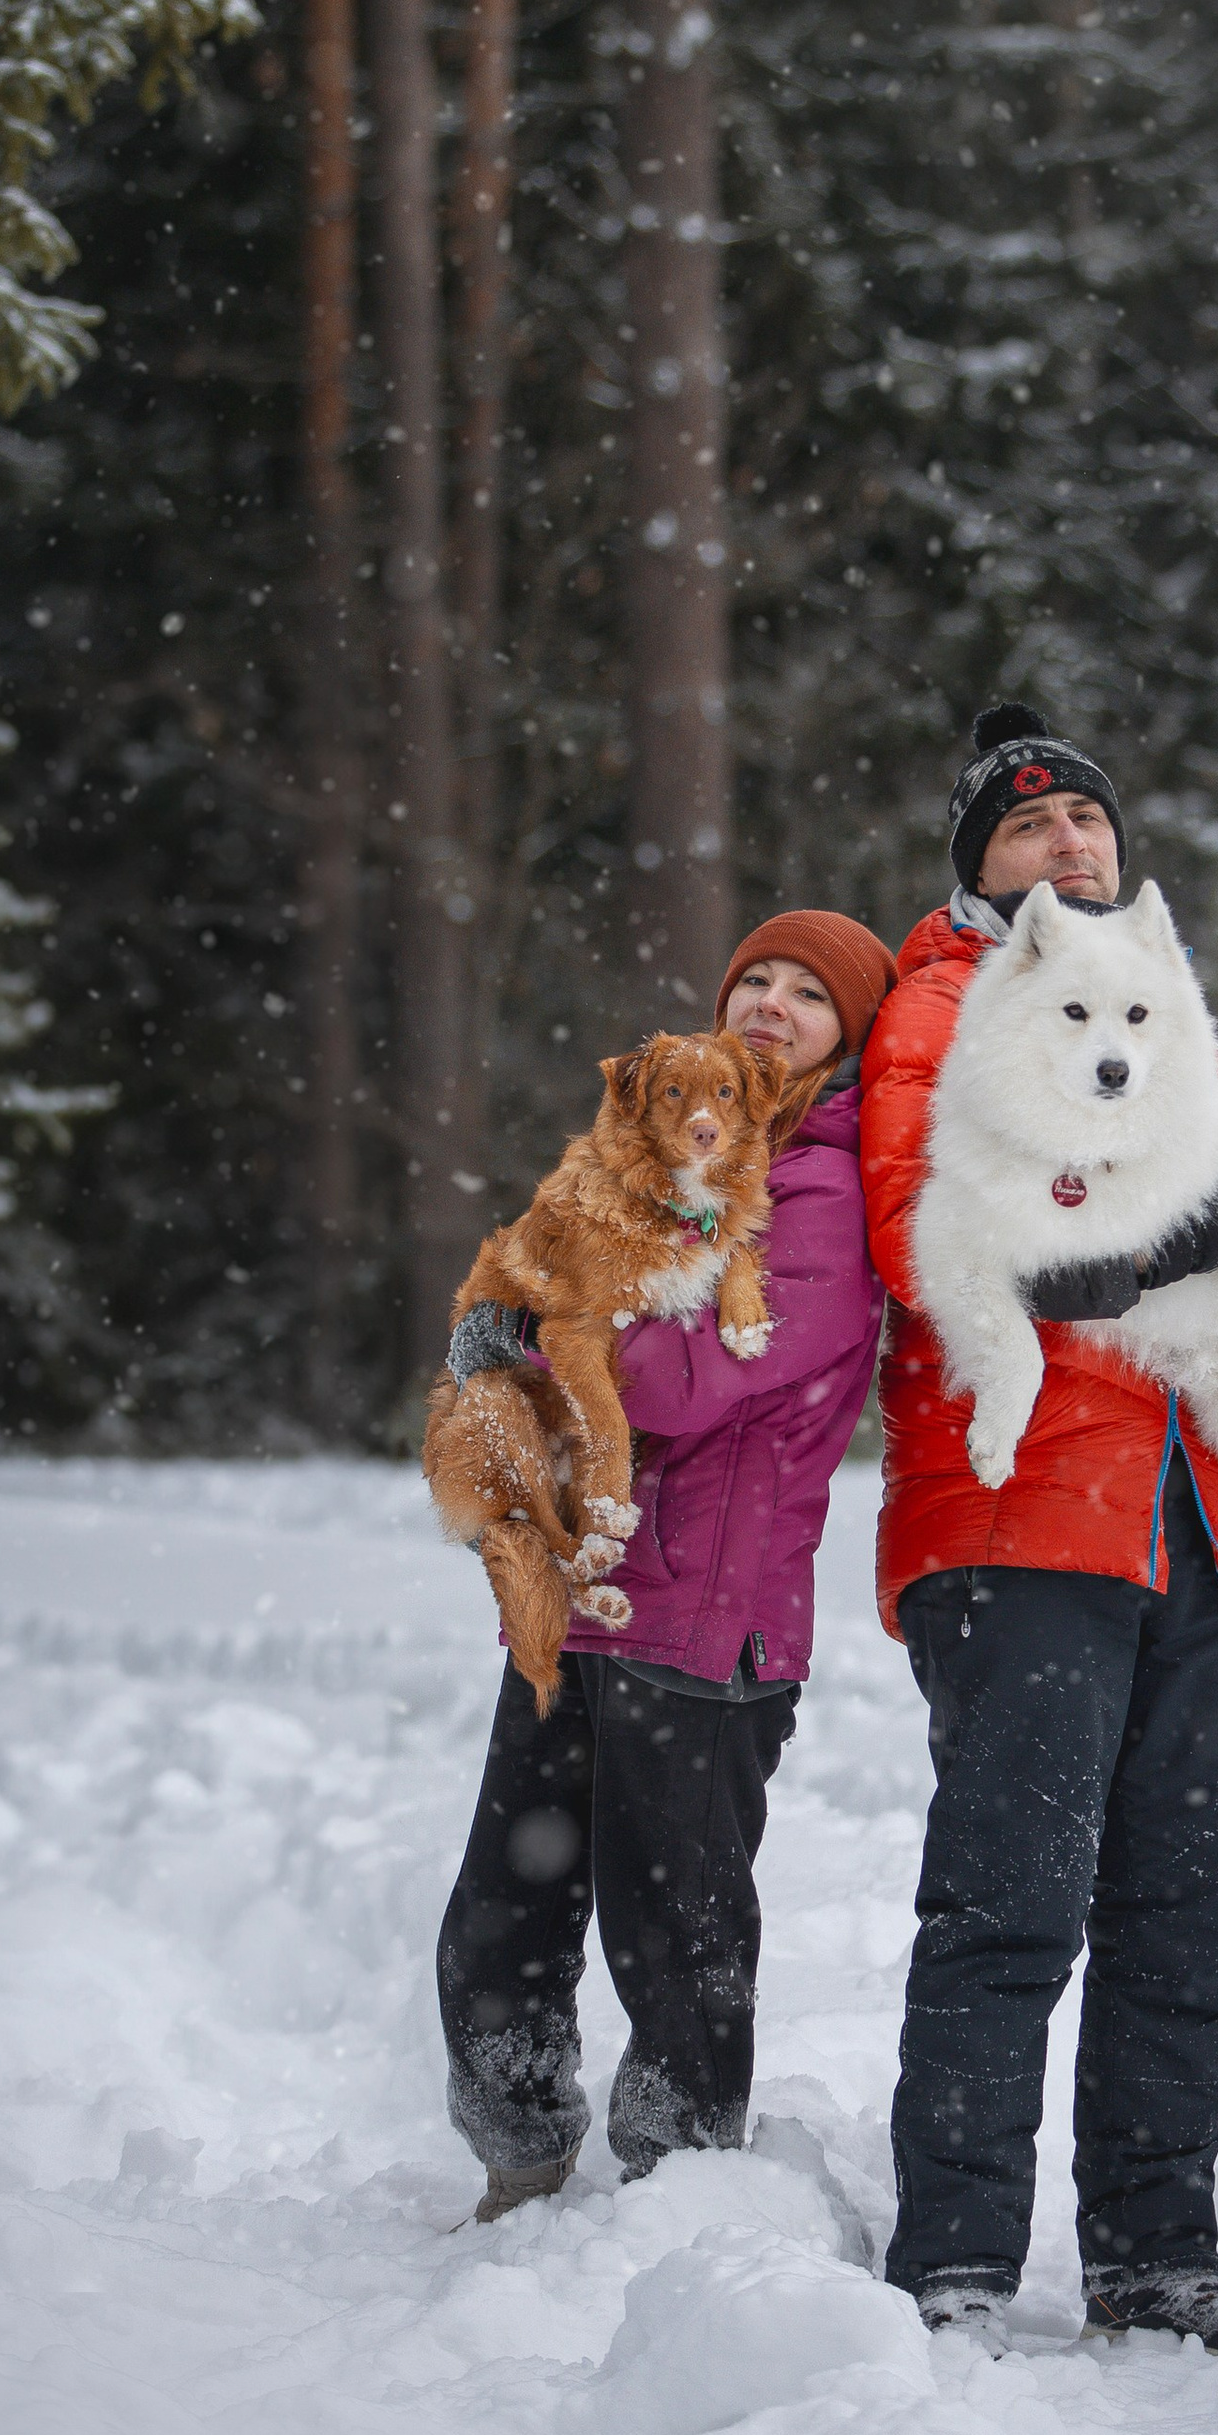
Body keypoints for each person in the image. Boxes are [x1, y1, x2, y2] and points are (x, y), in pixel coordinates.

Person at [859, 704, 1218, 2346]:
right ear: (984, 870)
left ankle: (1153, 2253)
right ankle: (954, 2261)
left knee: (1188, 1904)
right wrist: (1101, 1259)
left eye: (1087, 822)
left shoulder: (1156, 1008)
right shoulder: (945, 1008)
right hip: (1021, 1513)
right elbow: (919, 1224)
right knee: (1012, 1894)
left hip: (1204, 1524)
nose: (1069, 845)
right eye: (1029, 831)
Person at [437, 909, 897, 2219]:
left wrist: (530, 1336)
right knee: (504, 1905)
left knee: (678, 1933)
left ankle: (683, 2181)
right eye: (755, 976)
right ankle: (515, 2145)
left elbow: (696, 1376)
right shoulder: (653, 1156)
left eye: (810, 994)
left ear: (849, 1036)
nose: (772, 1001)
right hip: (582, 1599)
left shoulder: (823, 1188)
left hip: (710, 1627)